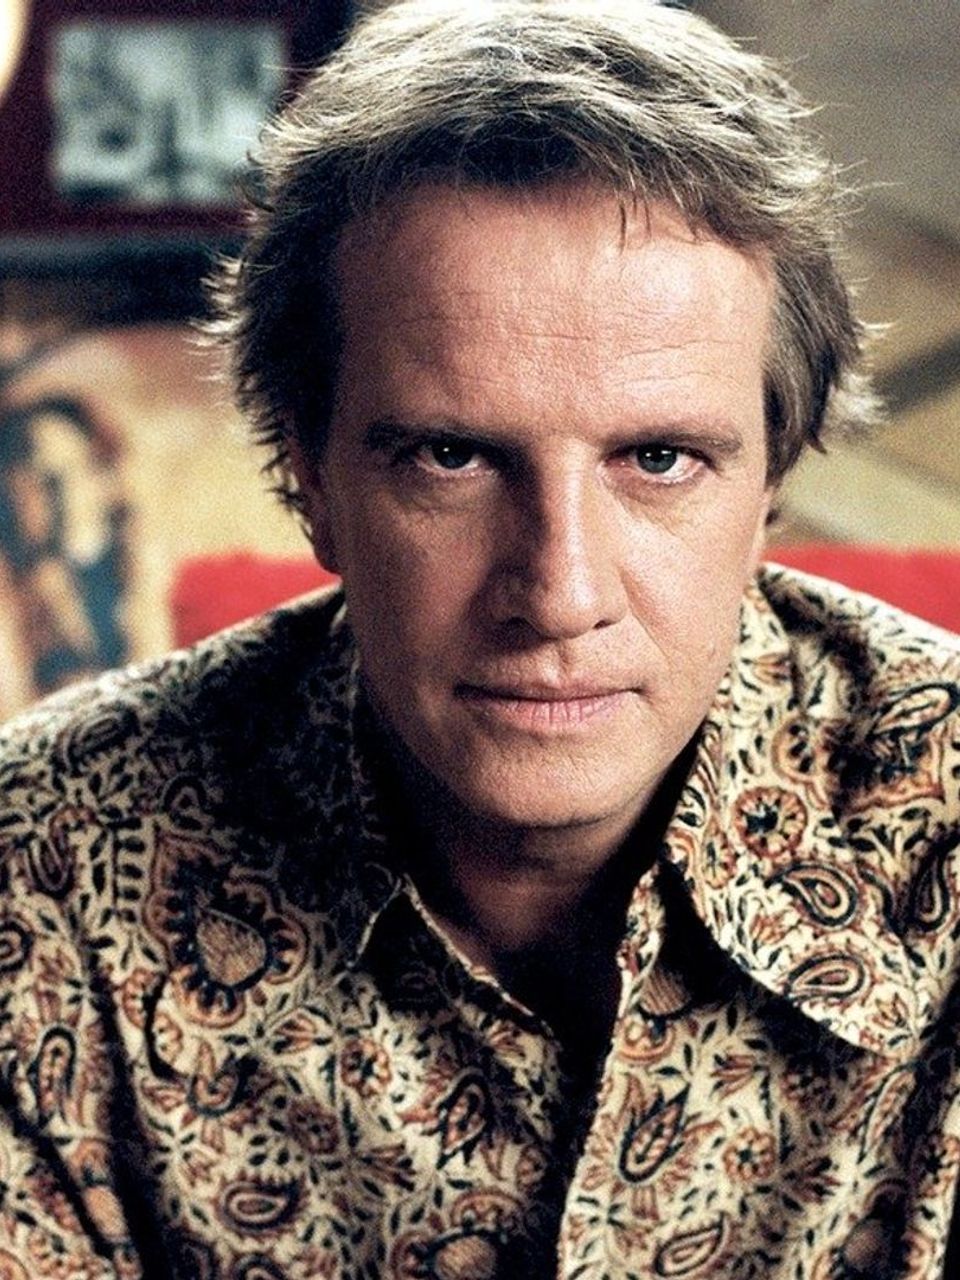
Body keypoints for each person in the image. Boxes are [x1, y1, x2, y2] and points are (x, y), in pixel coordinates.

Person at [0, 2, 958, 1277]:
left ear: (771, 484)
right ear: (310, 477)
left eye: (660, 458)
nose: (558, 592)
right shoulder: (45, 870)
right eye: (450, 455)